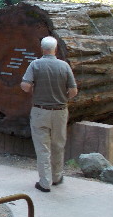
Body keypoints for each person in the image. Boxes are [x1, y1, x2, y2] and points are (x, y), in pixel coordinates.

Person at [20, 36, 78, 192]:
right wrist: (63, 97)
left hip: (40, 111)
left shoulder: (35, 65)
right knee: (58, 145)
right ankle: (57, 176)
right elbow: (73, 91)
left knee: (42, 147)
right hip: (60, 111)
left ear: (41, 48)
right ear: (55, 49)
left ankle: (45, 182)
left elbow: (25, 86)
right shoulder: (64, 66)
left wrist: (31, 88)